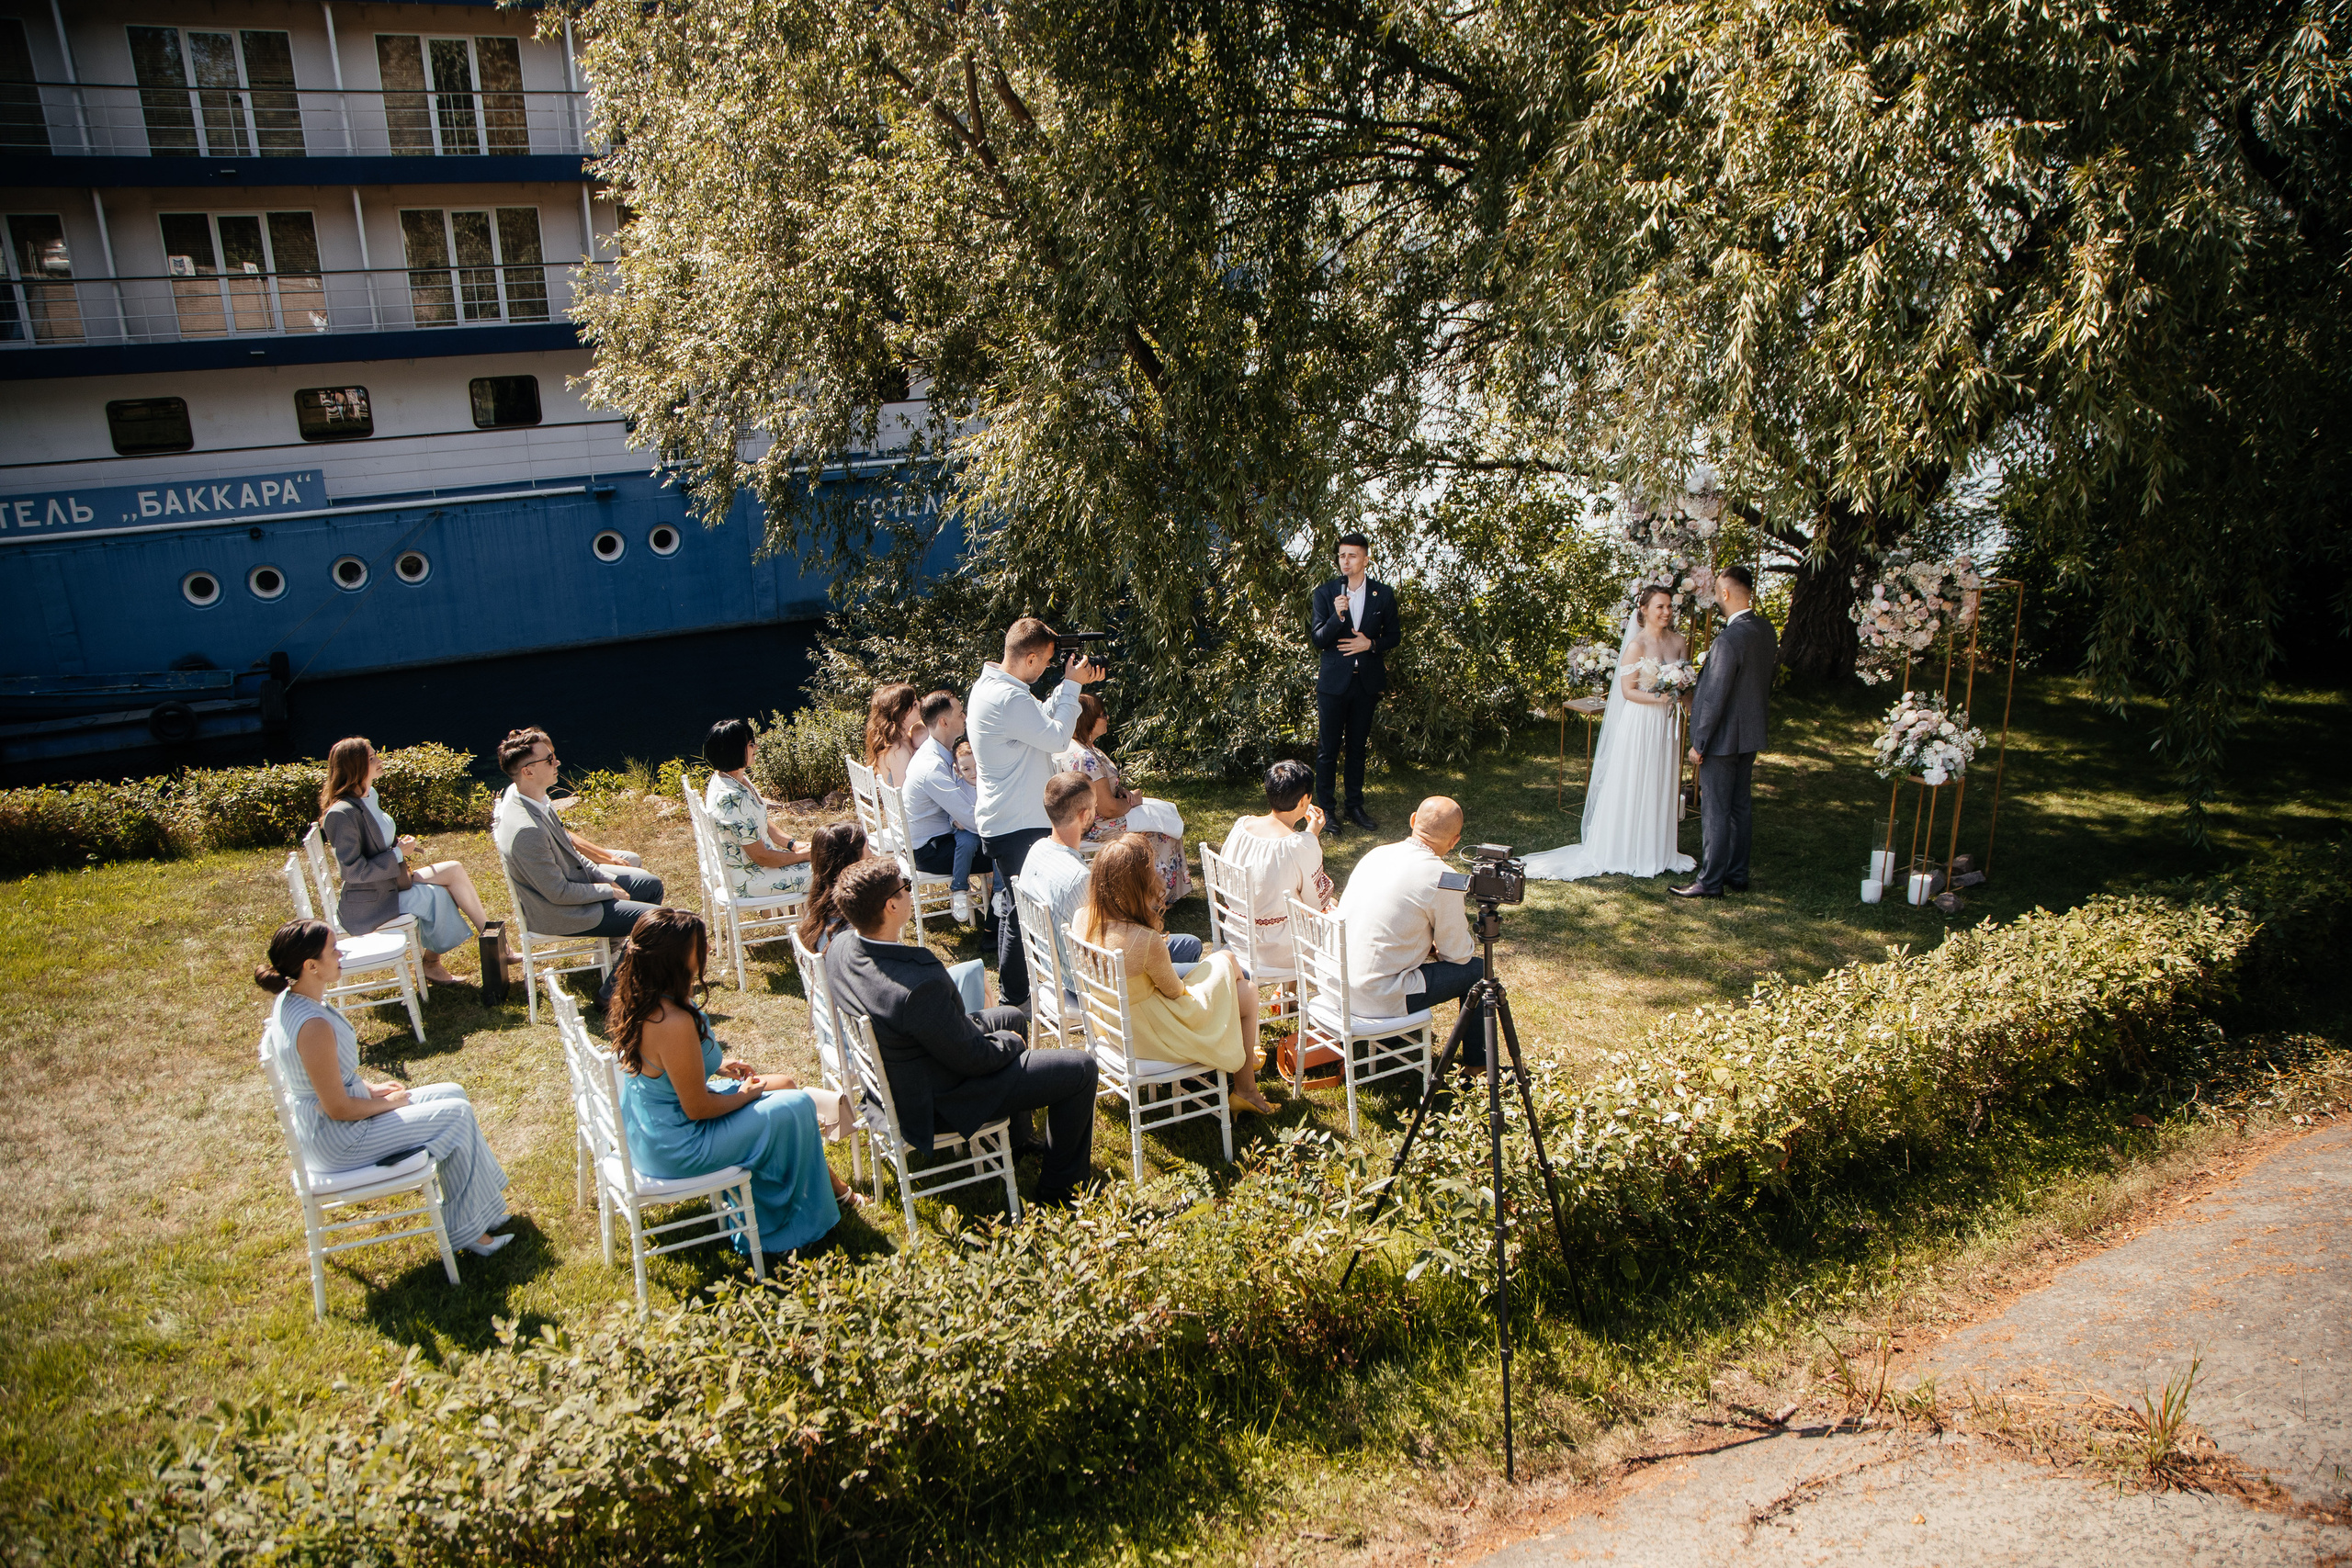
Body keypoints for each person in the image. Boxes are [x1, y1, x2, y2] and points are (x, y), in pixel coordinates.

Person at [823, 859, 1100, 1205]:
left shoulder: (843, 946)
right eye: (905, 885)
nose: (911, 889)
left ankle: (1017, 1140)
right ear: (891, 905)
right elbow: (973, 1058)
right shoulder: (916, 986)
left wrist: (1004, 1033)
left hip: (904, 1070)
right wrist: (1009, 1045)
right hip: (941, 1095)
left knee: (1011, 1015)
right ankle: (1061, 1189)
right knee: (1080, 1069)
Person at [611, 908, 856, 1263]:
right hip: (679, 1145)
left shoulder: (648, 996)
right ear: (676, 958)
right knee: (797, 1106)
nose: (707, 951)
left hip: (652, 1130)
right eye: (700, 945)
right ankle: (788, 1223)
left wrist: (720, 1064)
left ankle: (826, 1189)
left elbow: (668, 1065)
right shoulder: (672, 1021)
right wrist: (744, 1095)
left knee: (786, 1084)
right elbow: (698, 1108)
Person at [254, 919, 513, 1256]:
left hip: (339, 1120)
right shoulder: (313, 1025)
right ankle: (466, 1231)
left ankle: (483, 1210)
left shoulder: (297, 999)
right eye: (333, 949)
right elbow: (337, 1108)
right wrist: (390, 1103)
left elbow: (321, 1076)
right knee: (456, 1115)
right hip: (339, 1138)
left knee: (453, 1092)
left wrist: (371, 1087)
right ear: (311, 965)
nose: (341, 952)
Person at [1075, 836, 1277, 1115]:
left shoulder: (1082, 918)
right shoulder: (1144, 940)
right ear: (1138, 884)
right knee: (1239, 977)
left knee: (1240, 984)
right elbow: (1174, 991)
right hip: (1151, 1035)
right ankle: (1246, 1083)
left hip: (1113, 1025)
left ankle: (1246, 1082)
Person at [969, 618, 1105, 1005]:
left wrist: (1067, 684)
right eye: (1046, 662)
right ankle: (1015, 999)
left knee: (1014, 906)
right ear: (1029, 658)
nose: (1047, 667)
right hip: (1017, 822)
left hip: (1004, 817)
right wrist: (1074, 687)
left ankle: (1015, 992)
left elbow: (1039, 718)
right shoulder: (1008, 698)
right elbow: (1058, 737)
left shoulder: (995, 687)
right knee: (1019, 913)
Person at [1524, 584, 1700, 882]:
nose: (1667, 612)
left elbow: (1685, 688)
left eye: (1670, 606)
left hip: (1667, 724)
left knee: (1661, 779)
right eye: (1660, 606)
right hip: (1641, 721)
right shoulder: (1637, 645)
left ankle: (1658, 849)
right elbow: (1628, 691)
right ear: (1644, 610)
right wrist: (1663, 699)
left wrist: (1692, 714)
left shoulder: (1680, 642)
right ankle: (1627, 846)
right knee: (1636, 778)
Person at [317, 736, 495, 987]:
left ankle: (494, 940)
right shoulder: (341, 813)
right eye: (371, 758)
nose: (379, 760)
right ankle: (437, 962)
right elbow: (353, 872)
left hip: (392, 883)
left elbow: (375, 840)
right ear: (354, 767)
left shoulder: (369, 796)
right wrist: (398, 853)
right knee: (438, 895)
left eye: (375, 754)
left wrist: (397, 844)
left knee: (453, 869)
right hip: (370, 902)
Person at [1019, 772, 1204, 1005]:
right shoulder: (1078, 879)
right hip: (1093, 984)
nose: (1097, 812)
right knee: (1206, 970)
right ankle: (1167, 1022)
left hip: (1056, 967)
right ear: (1085, 815)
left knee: (1191, 944)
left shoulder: (1036, 851)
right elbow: (1106, 949)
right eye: (1095, 807)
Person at [1336, 796, 1483, 1063]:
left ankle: (1391, 1037)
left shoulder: (1377, 853)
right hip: (1373, 996)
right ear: (1454, 841)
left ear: (1413, 819)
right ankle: (1477, 1066)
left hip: (1335, 982)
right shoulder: (1445, 878)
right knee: (1478, 971)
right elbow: (1458, 955)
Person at [492, 727, 665, 943]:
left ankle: (619, 951)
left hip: (574, 885)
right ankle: (620, 975)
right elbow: (558, 893)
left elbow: (571, 853)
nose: (557, 762)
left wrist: (607, 880)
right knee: (659, 923)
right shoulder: (527, 830)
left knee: (651, 885)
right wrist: (608, 891)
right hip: (564, 914)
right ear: (528, 772)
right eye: (549, 759)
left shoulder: (536, 800)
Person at [1674, 565, 1779, 899]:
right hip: (1750, 734)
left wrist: (1699, 742)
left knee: (1715, 809)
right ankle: (1737, 874)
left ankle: (1710, 882)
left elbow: (1716, 696)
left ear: (1725, 593)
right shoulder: (1766, 630)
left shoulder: (1729, 638)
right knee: (1739, 807)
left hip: (1722, 739)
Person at [1308, 533, 1400, 834]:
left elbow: (1394, 636)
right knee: (1328, 749)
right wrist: (1337, 616)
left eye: (1352, 556)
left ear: (1365, 559)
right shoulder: (1325, 594)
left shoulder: (1383, 594)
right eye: (1341, 556)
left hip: (1366, 684)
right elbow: (1319, 639)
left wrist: (1369, 644)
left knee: (1357, 748)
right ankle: (1327, 811)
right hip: (1334, 684)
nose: (1345, 561)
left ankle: (1354, 805)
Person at [1058, 693, 1190, 900]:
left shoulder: (1085, 749)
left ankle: (1152, 894)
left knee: (1163, 812)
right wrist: (1133, 802)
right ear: (1088, 719)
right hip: (1097, 825)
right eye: (1103, 714)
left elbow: (1103, 791)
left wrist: (1121, 792)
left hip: (1095, 818)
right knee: (1162, 831)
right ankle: (1154, 899)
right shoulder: (1083, 757)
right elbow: (1108, 808)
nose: (1107, 718)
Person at [1215, 759, 1335, 976]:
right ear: (1303, 801)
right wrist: (1311, 835)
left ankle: (1285, 994)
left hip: (1238, 935)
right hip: (1279, 948)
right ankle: (1292, 990)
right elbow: (1316, 901)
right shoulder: (1299, 845)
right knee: (1334, 907)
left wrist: (1307, 837)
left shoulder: (1242, 826)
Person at [901, 690, 991, 925]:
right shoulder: (932, 767)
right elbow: (971, 820)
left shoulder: (936, 753)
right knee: (1007, 850)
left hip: (935, 838)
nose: (965, 717)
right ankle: (998, 921)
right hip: (931, 851)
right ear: (944, 722)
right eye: (960, 713)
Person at [701, 718, 814, 901]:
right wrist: (804, 857)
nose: (756, 747)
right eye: (751, 744)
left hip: (755, 868)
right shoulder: (732, 797)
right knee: (833, 873)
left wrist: (793, 844)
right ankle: (827, 926)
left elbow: (759, 820)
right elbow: (762, 857)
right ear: (735, 749)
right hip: (752, 878)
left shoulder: (730, 779)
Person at [794, 821, 871, 953]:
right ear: (854, 860)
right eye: (868, 848)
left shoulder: (819, 912)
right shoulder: (855, 928)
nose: (872, 854)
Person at [865, 682, 923, 789]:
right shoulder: (898, 751)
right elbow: (904, 793)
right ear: (901, 713)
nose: (919, 705)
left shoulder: (904, 737)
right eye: (914, 704)